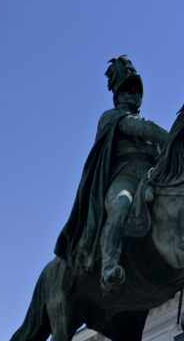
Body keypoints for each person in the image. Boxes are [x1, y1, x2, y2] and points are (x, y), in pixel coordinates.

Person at [55, 56, 169, 294]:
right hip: (123, 179)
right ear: (117, 94)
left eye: (136, 90)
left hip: (151, 180)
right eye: (128, 89)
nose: (134, 94)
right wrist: (173, 137)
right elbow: (135, 126)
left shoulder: (150, 130)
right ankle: (109, 266)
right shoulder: (112, 117)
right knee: (120, 204)